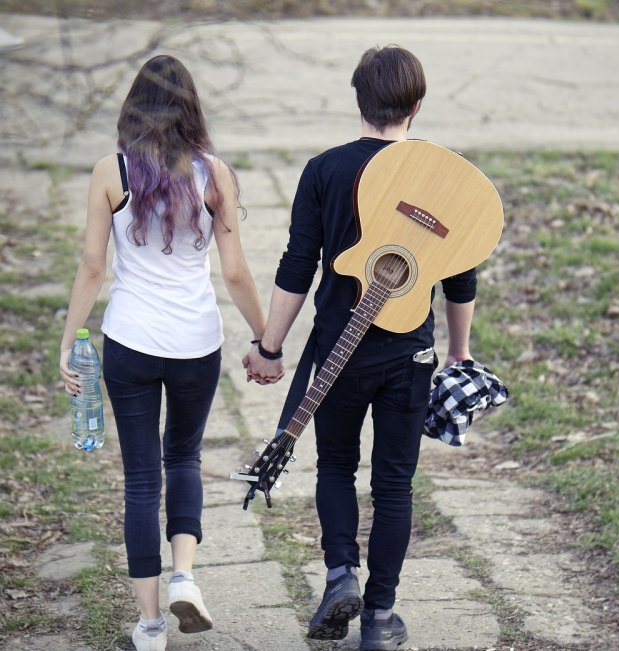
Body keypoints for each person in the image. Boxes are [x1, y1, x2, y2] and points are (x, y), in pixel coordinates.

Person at [243, 45, 477, 651]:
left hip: (339, 355)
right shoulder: (441, 176)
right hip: (409, 356)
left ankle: (339, 572)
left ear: (358, 99)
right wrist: (458, 354)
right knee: (394, 485)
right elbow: (462, 278)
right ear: (416, 106)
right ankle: (378, 619)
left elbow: (298, 265)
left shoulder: (324, 170)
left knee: (336, 467)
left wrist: (269, 346)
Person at [59, 55, 266, 651]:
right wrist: (265, 339)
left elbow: (94, 267)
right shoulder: (213, 174)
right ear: (191, 110)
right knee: (184, 459)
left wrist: (71, 342)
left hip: (130, 341)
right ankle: (184, 575)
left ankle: (151, 625)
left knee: (142, 479)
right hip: (196, 342)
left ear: (133, 108)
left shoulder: (111, 171)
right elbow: (234, 272)